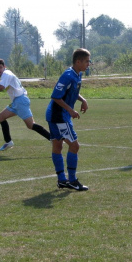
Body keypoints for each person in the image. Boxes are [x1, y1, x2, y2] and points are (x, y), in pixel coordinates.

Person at [0, 58, 50, 151]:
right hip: (17, 101)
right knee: (1, 117)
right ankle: (8, 142)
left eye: (0, 67)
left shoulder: (6, 74)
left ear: (4, 67)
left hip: (20, 101)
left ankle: (53, 138)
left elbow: (1, 87)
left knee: (31, 125)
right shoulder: (7, 73)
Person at [46, 48, 90, 191]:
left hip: (58, 115)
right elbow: (56, 96)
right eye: (87, 61)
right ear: (78, 61)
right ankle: (72, 180)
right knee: (74, 146)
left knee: (58, 147)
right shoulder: (68, 75)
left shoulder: (78, 74)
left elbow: (71, 91)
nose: (88, 64)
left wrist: (82, 100)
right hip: (58, 116)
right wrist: (70, 110)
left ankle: (62, 180)